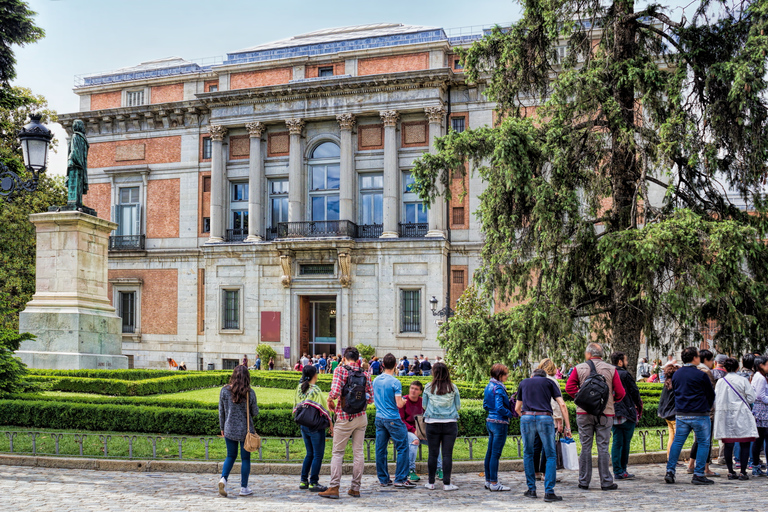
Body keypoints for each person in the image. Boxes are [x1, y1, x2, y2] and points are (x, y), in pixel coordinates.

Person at [565, 342, 626, 490]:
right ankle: (606, 481)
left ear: (588, 354)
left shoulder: (579, 368)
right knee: (603, 448)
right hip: (605, 413)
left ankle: (584, 481)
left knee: (585, 447)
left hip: (584, 413)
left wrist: (582, 399)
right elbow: (621, 393)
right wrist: (609, 402)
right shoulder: (611, 369)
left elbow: (569, 387)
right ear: (601, 355)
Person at [319, 347, 374, 499]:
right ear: (357, 359)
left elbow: (335, 391)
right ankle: (355, 488)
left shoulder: (341, 370)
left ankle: (334, 487)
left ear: (344, 358)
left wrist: (330, 400)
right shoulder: (365, 373)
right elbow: (370, 399)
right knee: (359, 453)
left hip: (344, 417)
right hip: (361, 417)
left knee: (337, 452)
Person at [515, 368, 572, 502]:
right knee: (551, 454)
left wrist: (525, 418)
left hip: (527, 418)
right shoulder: (550, 382)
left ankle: (531, 490)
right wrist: (567, 427)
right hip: (545, 418)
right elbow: (562, 404)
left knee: (528, 453)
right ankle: (549, 492)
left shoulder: (524, 383)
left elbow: (517, 408)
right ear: (545, 376)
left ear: (532, 376)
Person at [664, 347, 716, 485]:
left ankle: (670, 471)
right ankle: (699, 474)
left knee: (678, 442)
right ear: (694, 358)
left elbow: (675, 391)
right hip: (700, 413)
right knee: (704, 442)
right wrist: (707, 406)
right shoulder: (701, 374)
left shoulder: (677, 374)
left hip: (682, 413)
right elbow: (710, 394)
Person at [372, 353, 414, 489]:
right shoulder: (395, 382)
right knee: (402, 447)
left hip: (379, 418)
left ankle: (383, 479)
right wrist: (404, 401)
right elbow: (399, 404)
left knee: (380, 449)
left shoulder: (376, 380)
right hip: (393, 418)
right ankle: (400, 478)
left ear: (382, 365)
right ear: (396, 365)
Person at [712, 357, 757, 481]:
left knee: (728, 444)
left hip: (725, 415)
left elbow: (717, 399)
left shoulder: (721, 382)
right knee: (744, 443)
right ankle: (743, 471)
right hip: (742, 414)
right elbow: (751, 397)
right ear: (738, 367)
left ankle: (731, 471)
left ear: (725, 368)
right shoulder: (742, 380)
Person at [218, 365, 259, 497]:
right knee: (245, 458)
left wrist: (222, 428)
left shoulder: (224, 391)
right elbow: (255, 412)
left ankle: (223, 479)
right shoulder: (249, 393)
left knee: (230, 456)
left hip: (229, 428)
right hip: (245, 431)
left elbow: (221, 412)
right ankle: (244, 487)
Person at [422, 362, 461, 491]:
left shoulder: (428, 387)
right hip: (450, 423)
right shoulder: (453, 388)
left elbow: (424, 406)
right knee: (447, 454)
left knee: (432, 453)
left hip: (432, 423)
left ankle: (431, 482)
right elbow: (458, 407)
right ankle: (447, 483)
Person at [295, 365, 332, 492]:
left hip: (303, 425)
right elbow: (325, 410)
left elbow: (296, 407)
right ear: (314, 375)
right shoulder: (315, 390)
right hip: (315, 427)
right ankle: (314, 482)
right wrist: (331, 424)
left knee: (309, 453)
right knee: (318, 455)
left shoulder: (299, 388)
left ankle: (303, 480)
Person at [611, 352, 643, 480]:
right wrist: (638, 405)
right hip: (626, 411)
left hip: (613, 411)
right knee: (625, 442)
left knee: (617, 442)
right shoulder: (624, 374)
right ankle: (622, 469)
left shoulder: (609, 373)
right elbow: (634, 392)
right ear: (620, 362)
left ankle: (617, 470)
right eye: (625, 360)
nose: (627, 362)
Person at [687, 349, 718, 477]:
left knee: (698, 440)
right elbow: (711, 393)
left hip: (692, 410)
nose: (712, 363)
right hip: (706, 412)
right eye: (711, 360)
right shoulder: (705, 372)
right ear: (706, 360)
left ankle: (691, 464)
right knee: (706, 440)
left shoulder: (693, 371)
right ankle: (705, 467)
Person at [532, 359, 563, 483]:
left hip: (535, 417)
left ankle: (535, 472)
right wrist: (559, 420)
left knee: (536, 445)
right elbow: (555, 403)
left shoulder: (534, 381)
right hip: (549, 417)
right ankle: (545, 472)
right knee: (547, 446)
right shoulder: (553, 382)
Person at [483, 363, 513, 491]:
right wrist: (510, 414)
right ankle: (494, 483)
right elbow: (500, 407)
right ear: (500, 375)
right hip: (499, 422)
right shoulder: (499, 388)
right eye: (505, 374)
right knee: (495, 454)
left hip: (490, 420)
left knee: (490, 453)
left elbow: (485, 405)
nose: (507, 376)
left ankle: (489, 480)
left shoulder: (489, 386)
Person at [751, 356, 768, 477]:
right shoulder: (761, 378)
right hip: (762, 412)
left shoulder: (758, 376)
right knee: (761, 440)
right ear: (761, 365)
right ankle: (756, 465)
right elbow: (761, 396)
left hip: (759, 411)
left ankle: (755, 465)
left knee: (759, 440)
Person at [658, 364, 679, 458]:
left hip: (667, 414)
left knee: (672, 437)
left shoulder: (667, 383)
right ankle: (672, 458)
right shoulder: (675, 383)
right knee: (676, 438)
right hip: (673, 414)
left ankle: (669, 456)